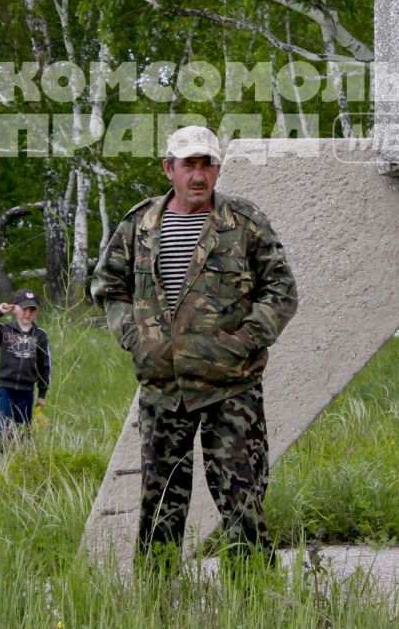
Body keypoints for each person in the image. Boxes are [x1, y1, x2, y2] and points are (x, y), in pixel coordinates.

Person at [90, 125, 298, 566]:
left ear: (218, 169)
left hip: (232, 388)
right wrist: (135, 337)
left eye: (207, 164)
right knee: (160, 504)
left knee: (243, 502)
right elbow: (108, 287)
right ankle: (159, 606)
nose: (198, 175)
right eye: (189, 165)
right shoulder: (139, 224)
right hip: (164, 390)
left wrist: (243, 342)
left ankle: (254, 603)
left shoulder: (244, 222)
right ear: (170, 169)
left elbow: (281, 291)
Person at [0, 288, 52, 450]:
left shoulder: (40, 335)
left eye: (32, 309)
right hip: (6, 389)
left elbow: (45, 365)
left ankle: (22, 460)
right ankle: (2, 458)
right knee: (4, 426)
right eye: (24, 309)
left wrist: (42, 394)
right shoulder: (5, 330)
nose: (28, 313)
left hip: (27, 391)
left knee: (25, 429)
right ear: (15, 308)